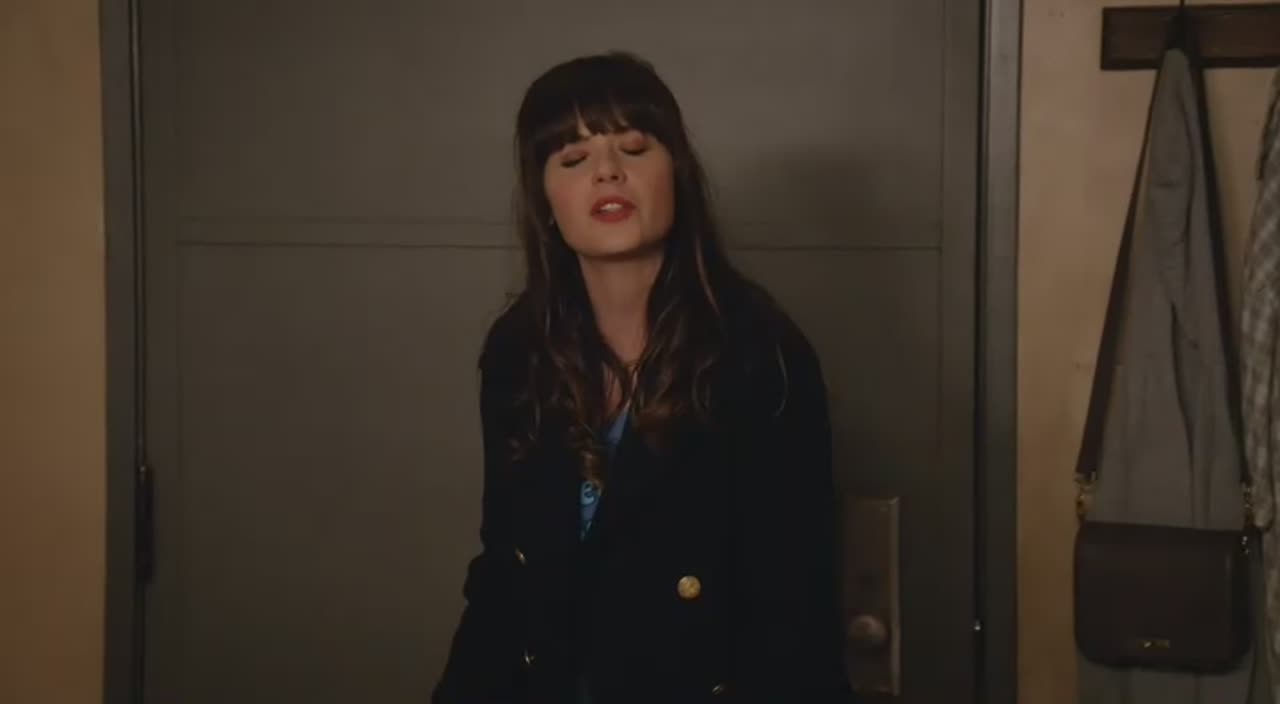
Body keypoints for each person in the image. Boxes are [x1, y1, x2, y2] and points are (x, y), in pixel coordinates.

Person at [432, 51, 854, 704]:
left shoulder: (758, 356)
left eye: (633, 148)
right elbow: (504, 578)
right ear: (546, 203)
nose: (607, 170)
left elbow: (793, 613)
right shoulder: (520, 353)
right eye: (573, 158)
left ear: (676, 175)